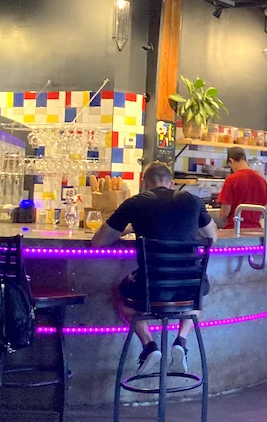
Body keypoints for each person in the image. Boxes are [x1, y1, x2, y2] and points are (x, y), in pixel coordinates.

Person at [92, 162, 218, 378]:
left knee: (121, 296)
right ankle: (181, 341)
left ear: (144, 183)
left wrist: (127, 230)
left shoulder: (134, 203)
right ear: (171, 183)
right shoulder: (193, 201)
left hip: (151, 290)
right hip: (189, 287)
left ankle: (149, 345)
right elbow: (212, 237)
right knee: (197, 299)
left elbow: (99, 242)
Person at [217, 147, 267, 229]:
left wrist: (221, 217)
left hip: (234, 229)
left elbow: (225, 211)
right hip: (255, 230)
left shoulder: (231, 179)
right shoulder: (262, 180)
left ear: (231, 161)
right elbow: (265, 207)